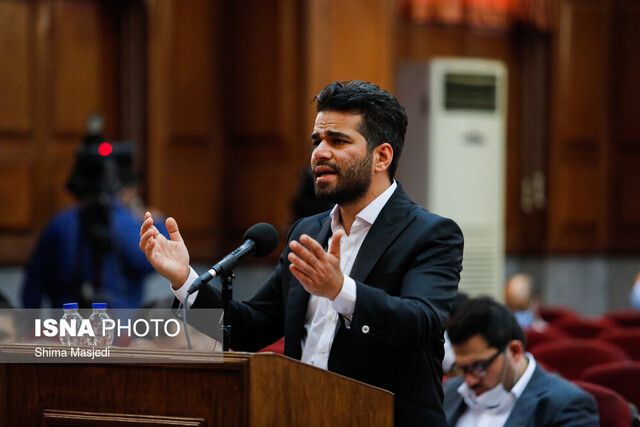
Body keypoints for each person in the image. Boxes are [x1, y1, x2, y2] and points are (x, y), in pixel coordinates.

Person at [139, 80, 464, 426]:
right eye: (317, 141)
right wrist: (184, 279)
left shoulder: (429, 234)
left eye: (337, 141)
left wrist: (341, 290)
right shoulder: (308, 232)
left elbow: (421, 323)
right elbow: (250, 329)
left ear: (381, 157)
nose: (319, 153)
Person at [23, 114, 168, 309]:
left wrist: (29, 324)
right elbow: (152, 261)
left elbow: (34, 284)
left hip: (66, 322)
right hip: (120, 323)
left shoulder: (59, 224)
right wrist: (158, 224)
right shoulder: (127, 223)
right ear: (123, 187)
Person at [442, 297, 599, 426]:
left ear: (514, 351)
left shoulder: (567, 406)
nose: (470, 380)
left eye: (479, 366)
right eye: (462, 368)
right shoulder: (449, 391)